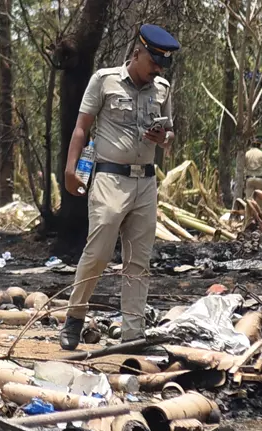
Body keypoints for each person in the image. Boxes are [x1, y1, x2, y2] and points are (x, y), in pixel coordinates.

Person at [60, 24, 180, 350]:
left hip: (146, 182)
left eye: (162, 65)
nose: (158, 69)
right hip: (109, 179)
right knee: (98, 253)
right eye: (154, 62)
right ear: (137, 53)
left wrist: (164, 138)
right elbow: (81, 127)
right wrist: (70, 169)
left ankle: (133, 334)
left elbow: (170, 136)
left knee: (138, 262)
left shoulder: (162, 89)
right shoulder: (104, 80)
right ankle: (74, 317)